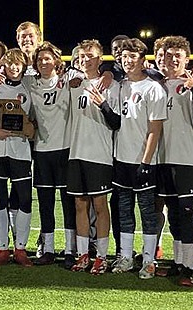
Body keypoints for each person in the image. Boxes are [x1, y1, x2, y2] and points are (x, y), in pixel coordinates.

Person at [109, 38, 167, 279]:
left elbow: (155, 129)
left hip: (143, 160)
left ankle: (149, 259)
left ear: (143, 60)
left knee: (147, 211)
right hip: (121, 158)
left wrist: (146, 160)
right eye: (124, 56)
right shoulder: (120, 86)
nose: (128, 61)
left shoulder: (153, 88)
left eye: (133, 57)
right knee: (124, 211)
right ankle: (125, 256)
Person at [154, 35, 193, 286]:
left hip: (186, 158)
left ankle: (189, 268)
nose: (173, 60)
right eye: (168, 55)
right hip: (161, 158)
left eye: (178, 55)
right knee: (172, 213)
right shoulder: (156, 85)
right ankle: (178, 262)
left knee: (186, 213)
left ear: (187, 59)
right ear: (160, 59)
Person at [65, 39, 121, 275]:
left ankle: (101, 256)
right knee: (80, 204)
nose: (85, 59)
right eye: (82, 56)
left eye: (90, 55)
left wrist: (103, 103)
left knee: (100, 205)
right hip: (76, 153)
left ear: (100, 59)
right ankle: (83, 254)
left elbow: (116, 122)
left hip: (99, 154)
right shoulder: (74, 84)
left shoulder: (111, 85)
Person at [0, 48, 36, 267]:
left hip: (21, 150)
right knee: (0, 200)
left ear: (24, 66)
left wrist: (30, 130)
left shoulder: (29, 88)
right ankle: (2, 249)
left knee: (24, 199)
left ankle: (21, 249)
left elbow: (33, 120)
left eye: (18, 64)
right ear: (4, 65)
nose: (14, 67)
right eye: (10, 63)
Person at [26, 41, 74, 266]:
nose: (44, 62)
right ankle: (48, 249)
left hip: (65, 150)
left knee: (68, 203)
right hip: (42, 150)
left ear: (56, 60)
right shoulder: (30, 84)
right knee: (45, 204)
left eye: (47, 58)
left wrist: (106, 73)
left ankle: (71, 249)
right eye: (39, 59)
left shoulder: (69, 81)